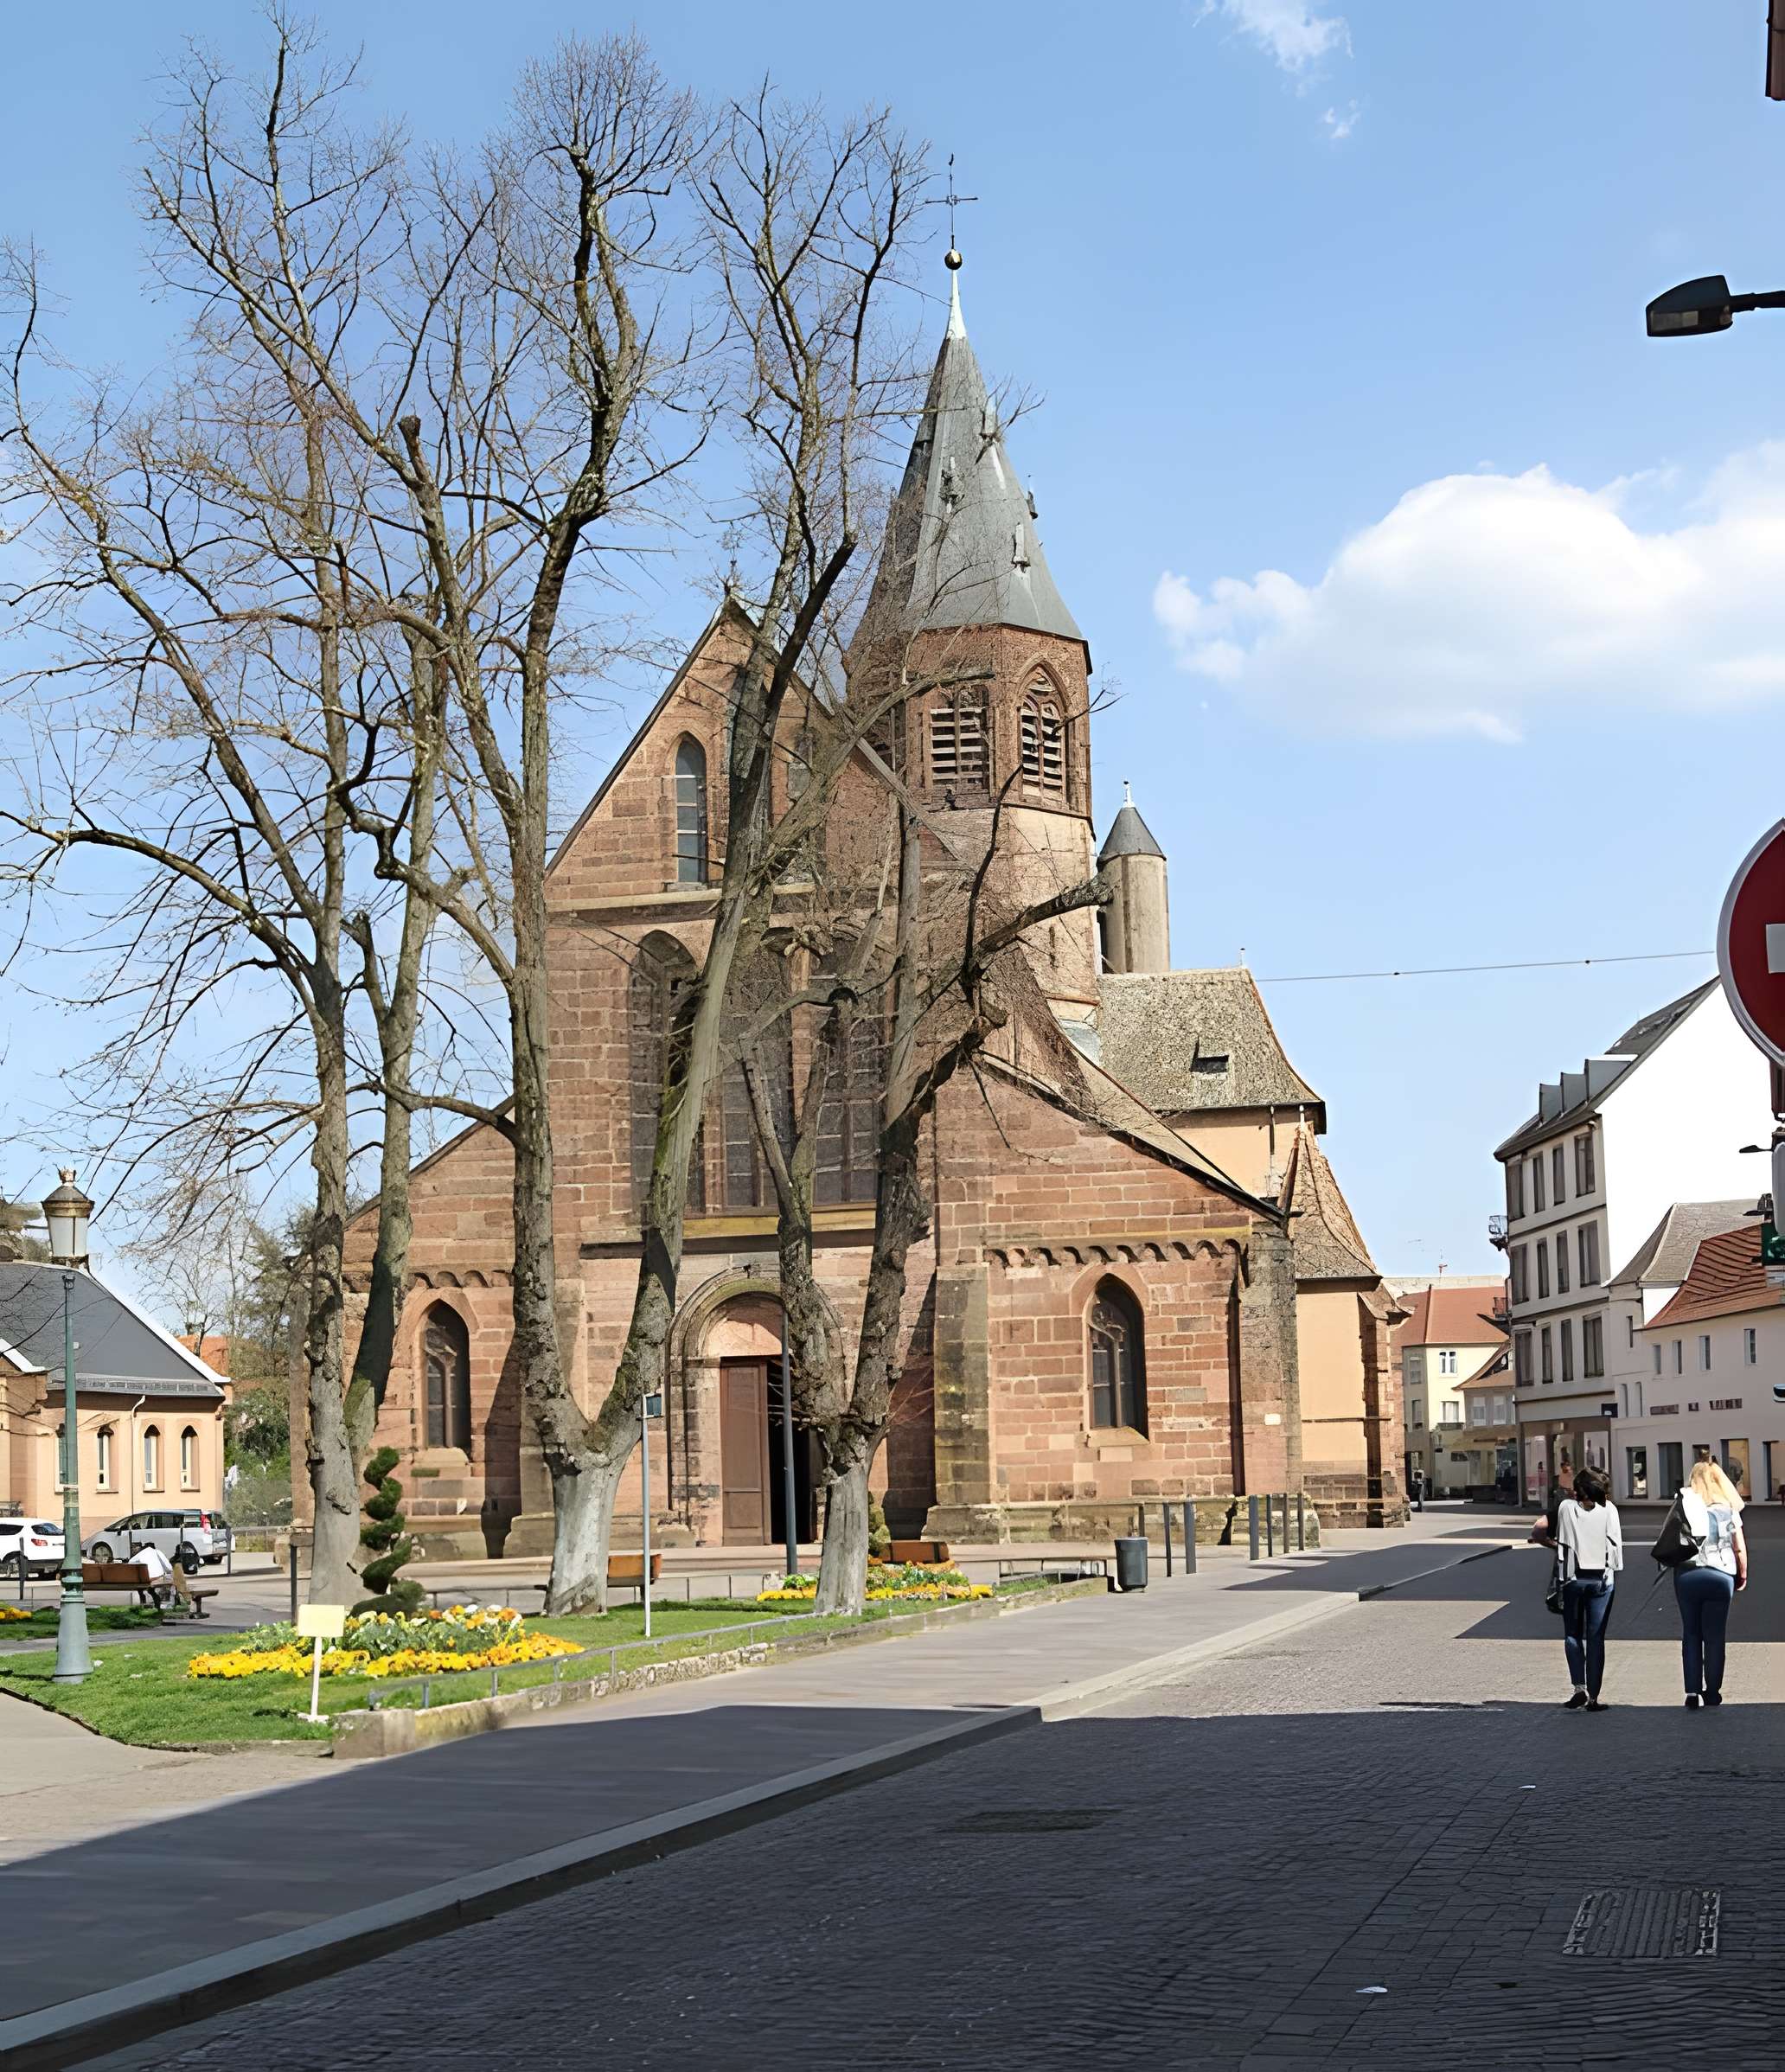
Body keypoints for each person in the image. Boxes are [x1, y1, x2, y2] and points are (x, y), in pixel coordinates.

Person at [1675, 1457, 1747, 1709]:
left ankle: (1692, 1692)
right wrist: (1742, 1575)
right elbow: (1739, 1549)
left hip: (1688, 1574)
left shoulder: (1683, 1505)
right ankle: (1713, 1692)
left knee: (1692, 1633)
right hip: (1721, 1575)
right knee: (1715, 1636)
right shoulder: (1728, 1508)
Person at [1555, 1464, 1622, 1711]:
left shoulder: (1565, 1508)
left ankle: (1578, 1688)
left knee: (1572, 1634)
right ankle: (1594, 1698)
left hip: (1572, 1580)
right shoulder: (1610, 1510)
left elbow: (1551, 1535)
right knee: (1596, 1638)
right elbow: (1615, 1550)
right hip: (1601, 1581)